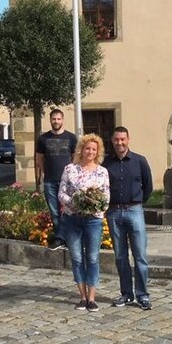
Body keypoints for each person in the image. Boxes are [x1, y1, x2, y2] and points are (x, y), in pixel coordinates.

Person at [104, 127, 154, 310]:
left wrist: (138, 202)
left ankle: (142, 295)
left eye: (123, 139)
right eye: (116, 140)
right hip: (114, 212)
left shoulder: (140, 161)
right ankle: (126, 294)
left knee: (140, 255)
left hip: (134, 211)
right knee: (120, 256)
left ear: (128, 139)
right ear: (112, 140)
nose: (120, 143)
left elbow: (148, 186)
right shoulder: (106, 163)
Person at [59, 133, 110, 311]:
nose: (90, 152)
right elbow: (61, 194)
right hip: (73, 219)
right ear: (81, 149)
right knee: (77, 258)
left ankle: (92, 298)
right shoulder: (70, 169)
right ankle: (81, 296)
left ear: (98, 152)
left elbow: (106, 197)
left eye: (94, 149)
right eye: (87, 148)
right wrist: (76, 201)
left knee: (93, 258)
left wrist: (94, 205)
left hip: (93, 221)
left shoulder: (102, 172)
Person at [35, 108, 78, 247]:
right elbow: (39, 159)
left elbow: (74, 158)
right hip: (50, 181)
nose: (56, 121)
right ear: (50, 120)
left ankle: (65, 236)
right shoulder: (43, 138)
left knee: (67, 209)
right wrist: (45, 172)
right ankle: (60, 238)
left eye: (58, 119)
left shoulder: (71, 138)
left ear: (62, 120)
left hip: (67, 181)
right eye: (54, 119)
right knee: (54, 211)